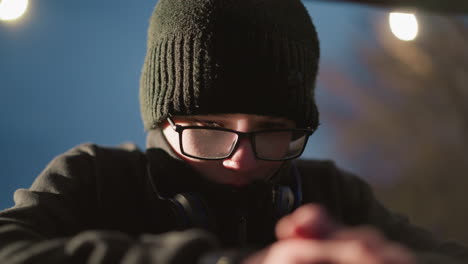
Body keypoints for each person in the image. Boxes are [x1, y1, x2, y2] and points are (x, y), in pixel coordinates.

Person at [0, 0, 467, 263]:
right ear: (164, 121)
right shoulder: (95, 179)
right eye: (210, 128)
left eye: (272, 130)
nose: (241, 160)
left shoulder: (333, 193)